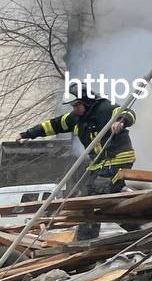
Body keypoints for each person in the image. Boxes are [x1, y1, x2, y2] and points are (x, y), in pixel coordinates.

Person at [15, 83, 136, 240]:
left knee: (94, 199)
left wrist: (121, 121)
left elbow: (128, 112)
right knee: (97, 201)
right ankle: (134, 226)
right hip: (99, 164)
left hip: (118, 159)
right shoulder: (75, 118)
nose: (75, 109)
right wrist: (27, 134)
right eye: (73, 106)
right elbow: (53, 125)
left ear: (86, 101)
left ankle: (85, 240)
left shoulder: (105, 108)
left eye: (77, 105)